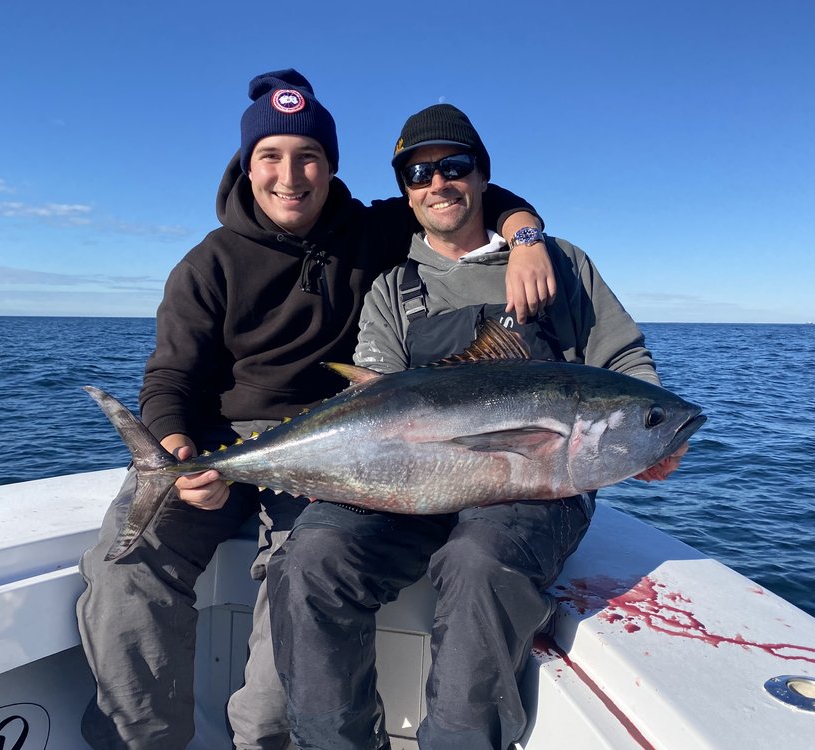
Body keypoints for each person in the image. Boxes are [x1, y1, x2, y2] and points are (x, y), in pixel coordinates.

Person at [74, 71, 554, 750]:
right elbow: (170, 378)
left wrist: (527, 236)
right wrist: (179, 449)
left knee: (300, 595)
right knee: (126, 569)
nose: (289, 176)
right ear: (247, 165)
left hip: (337, 446)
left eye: (309, 158)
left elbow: (457, 191)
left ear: (330, 167)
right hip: (214, 445)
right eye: (270, 156)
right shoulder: (206, 264)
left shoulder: (370, 231)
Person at [268, 103, 688, 750]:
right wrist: (346, 463)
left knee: (480, 559)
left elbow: (625, 360)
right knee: (311, 556)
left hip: (534, 491)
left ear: (483, 177)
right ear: (406, 193)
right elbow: (374, 395)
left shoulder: (560, 262)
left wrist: (652, 426)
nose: (437, 183)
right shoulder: (393, 286)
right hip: (410, 486)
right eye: (418, 173)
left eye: (454, 166)